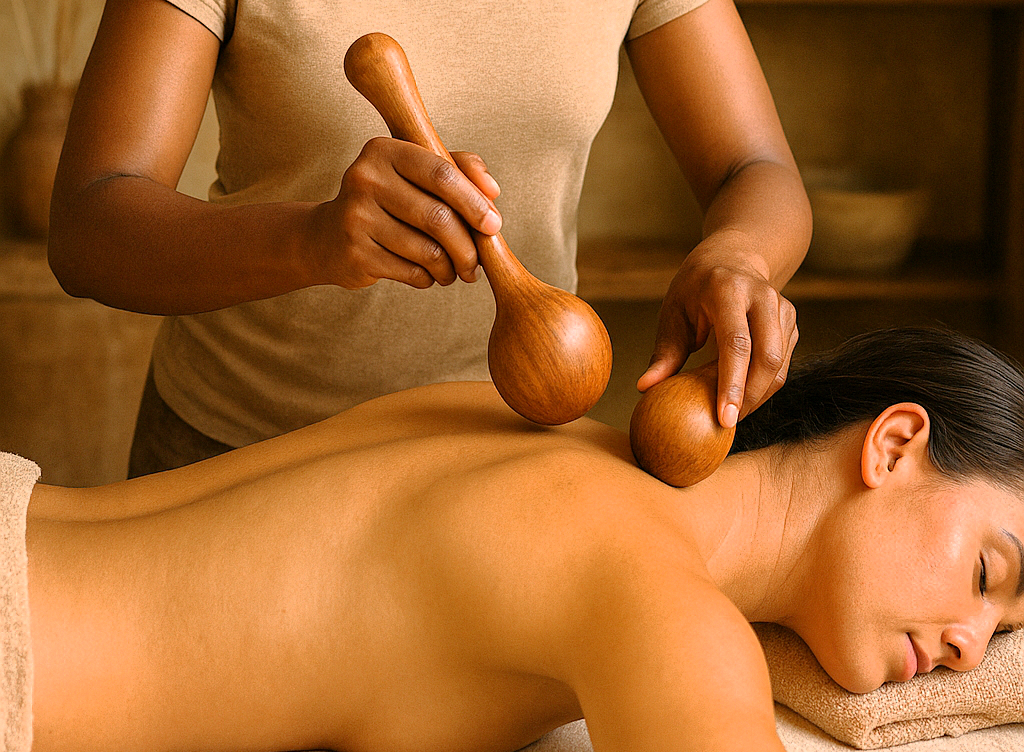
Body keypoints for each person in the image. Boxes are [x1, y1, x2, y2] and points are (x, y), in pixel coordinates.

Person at [22, 327, 1024, 751]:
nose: (968, 647)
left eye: (1001, 632)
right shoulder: (658, 604)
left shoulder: (544, 436)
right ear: (892, 444)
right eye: (988, 572)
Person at [46, 0, 811, 477]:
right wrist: (309, 240)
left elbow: (755, 166)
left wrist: (738, 255)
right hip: (233, 456)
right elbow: (88, 225)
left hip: (504, 460)